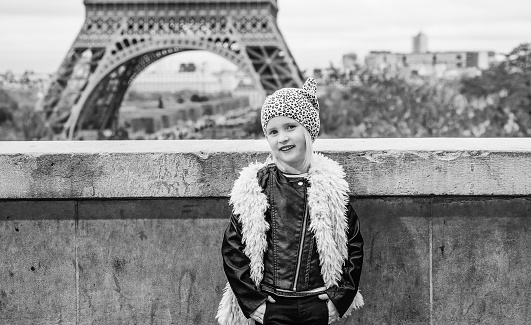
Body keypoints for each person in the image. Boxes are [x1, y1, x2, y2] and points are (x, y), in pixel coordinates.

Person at [217, 78, 364, 325]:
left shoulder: (331, 186)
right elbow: (233, 248)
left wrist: (339, 300)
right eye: (273, 132)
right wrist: (253, 303)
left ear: (308, 131)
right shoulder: (256, 186)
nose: (282, 137)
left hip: (317, 303)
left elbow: (353, 244)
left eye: (290, 127)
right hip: (272, 304)